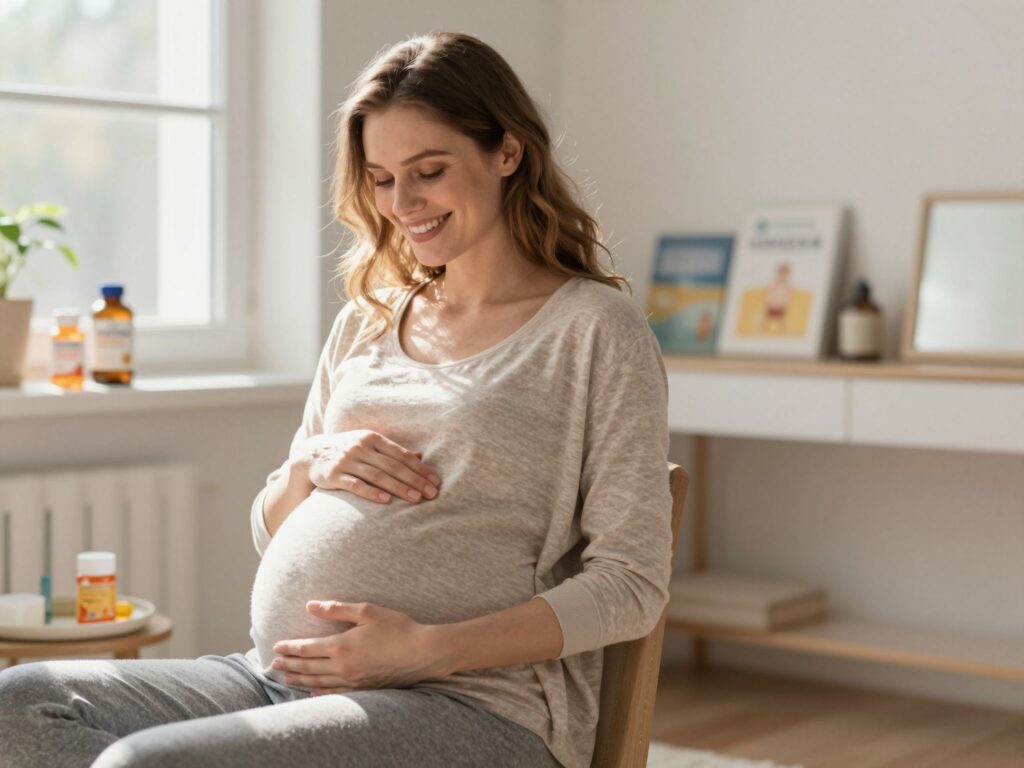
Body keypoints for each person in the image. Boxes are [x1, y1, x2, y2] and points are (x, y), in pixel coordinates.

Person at [0, 32, 674, 768]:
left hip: (471, 703)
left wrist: (426, 651)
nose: (402, 204)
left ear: (506, 153)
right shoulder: (370, 318)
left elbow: (632, 584)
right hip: (274, 677)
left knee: (150, 763)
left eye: (429, 171)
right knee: (23, 702)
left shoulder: (594, 331)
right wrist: (309, 467)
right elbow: (271, 529)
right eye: (383, 178)